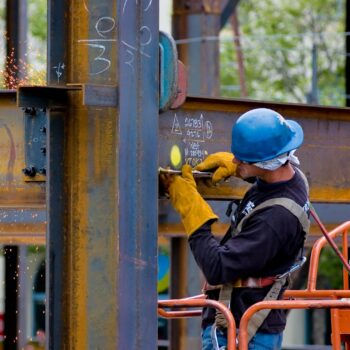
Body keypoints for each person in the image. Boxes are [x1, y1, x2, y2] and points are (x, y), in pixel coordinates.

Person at [160, 108, 310, 350]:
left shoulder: (276, 220)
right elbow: (267, 179)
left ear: (266, 162)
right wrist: (243, 170)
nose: (235, 161)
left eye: (242, 159)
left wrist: (192, 210)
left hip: (242, 333)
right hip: (244, 325)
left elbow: (218, 268)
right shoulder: (292, 177)